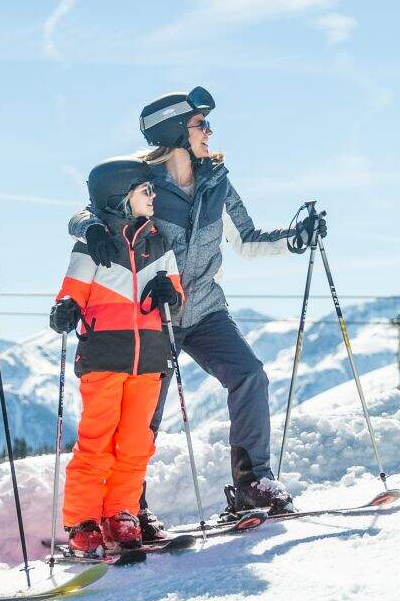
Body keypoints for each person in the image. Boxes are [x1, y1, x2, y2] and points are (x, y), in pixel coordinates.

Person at [68, 87, 326, 527]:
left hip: (205, 307)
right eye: (199, 124)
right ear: (175, 132)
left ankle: (251, 485)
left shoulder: (216, 181)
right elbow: (86, 213)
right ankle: (131, 508)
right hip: (150, 318)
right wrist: (92, 226)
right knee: (141, 418)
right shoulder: (138, 180)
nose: (209, 131)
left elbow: (246, 239)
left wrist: (295, 238)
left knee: (249, 375)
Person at [49, 159, 183, 556]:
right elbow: (70, 292)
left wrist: (169, 296)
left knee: (136, 442)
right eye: (145, 191)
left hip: (149, 360)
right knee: (97, 441)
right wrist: (66, 309)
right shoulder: (93, 245)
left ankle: (121, 512)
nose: (153, 197)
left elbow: (175, 300)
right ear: (121, 198)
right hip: (104, 358)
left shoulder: (159, 243)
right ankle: (82, 521)